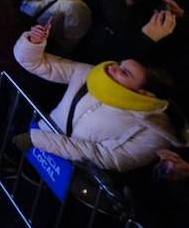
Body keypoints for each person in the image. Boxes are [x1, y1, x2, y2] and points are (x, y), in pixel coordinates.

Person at [11, 24, 186, 172]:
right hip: (36, 147)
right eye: (119, 64)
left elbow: (108, 158)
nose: (112, 68)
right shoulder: (89, 73)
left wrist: (41, 140)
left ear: (145, 94)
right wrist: (33, 43)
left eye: (124, 73)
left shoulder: (155, 130)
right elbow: (38, 64)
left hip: (72, 174)